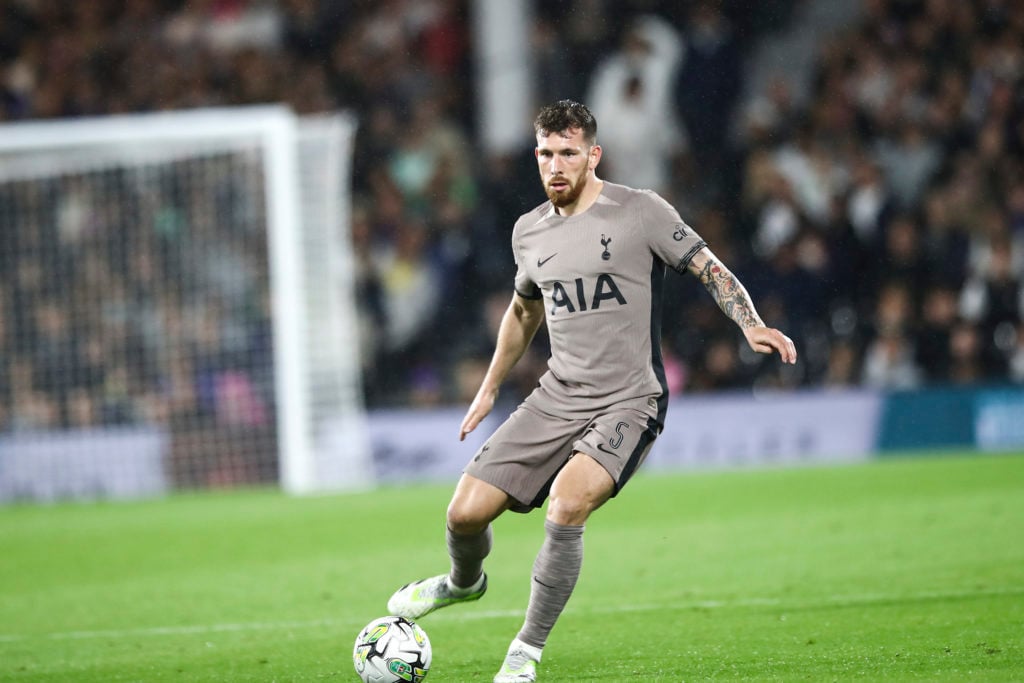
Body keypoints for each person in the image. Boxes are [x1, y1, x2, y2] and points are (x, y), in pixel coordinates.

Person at [386, 100, 797, 682]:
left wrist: (748, 321)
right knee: (463, 516)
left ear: (592, 155)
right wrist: (488, 388)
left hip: (630, 398)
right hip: (557, 395)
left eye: (568, 154)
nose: (556, 166)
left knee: (568, 503)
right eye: (546, 155)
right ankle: (462, 583)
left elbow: (709, 268)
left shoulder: (640, 211)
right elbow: (523, 313)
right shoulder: (528, 231)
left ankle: (524, 652)